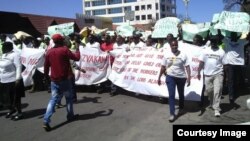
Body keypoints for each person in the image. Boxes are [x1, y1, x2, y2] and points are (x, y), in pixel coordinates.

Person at [43, 34, 80, 131]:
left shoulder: (49, 52)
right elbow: (77, 58)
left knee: (53, 100)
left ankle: (46, 120)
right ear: (61, 41)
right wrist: (78, 48)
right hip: (65, 80)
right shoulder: (64, 50)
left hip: (54, 80)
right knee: (68, 98)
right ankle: (70, 115)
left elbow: (46, 67)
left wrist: (46, 77)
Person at [158, 39, 191, 122]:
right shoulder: (166, 55)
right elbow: (163, 66)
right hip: (170, 77)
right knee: (171, 95)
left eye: (176, 45)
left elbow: (187, 67)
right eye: (173, 45)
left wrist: (189, 77)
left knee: (181, 94)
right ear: (170, 46)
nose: (174, 46)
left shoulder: (183, 55)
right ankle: (172, 114)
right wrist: (159, 77)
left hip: (181, 78)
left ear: (178, 45)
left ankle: (181, 107)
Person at [197, 35, 225, 117]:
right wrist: (198, 72)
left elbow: (225, 64)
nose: (213, 43)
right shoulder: (205, 51)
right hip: (207, 74)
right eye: (212, 42)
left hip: (218, 74)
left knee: (217, 91)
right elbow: (201, 62)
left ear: (217, 42)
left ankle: (216, 108)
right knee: (209, 90)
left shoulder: (221, 52)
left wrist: (226, 76)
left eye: (214, 42)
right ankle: (211, 102)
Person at [0, 42, 24, 120]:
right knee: (6, 98)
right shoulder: (3, 55)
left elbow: (18, 67)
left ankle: (19, 113)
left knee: (15, 98)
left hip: (13, 80)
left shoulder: (15, 55)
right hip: (3, 80)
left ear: (9, 48)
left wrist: (18, 79)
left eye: (3, 47)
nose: (2, 49)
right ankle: (12, 110)